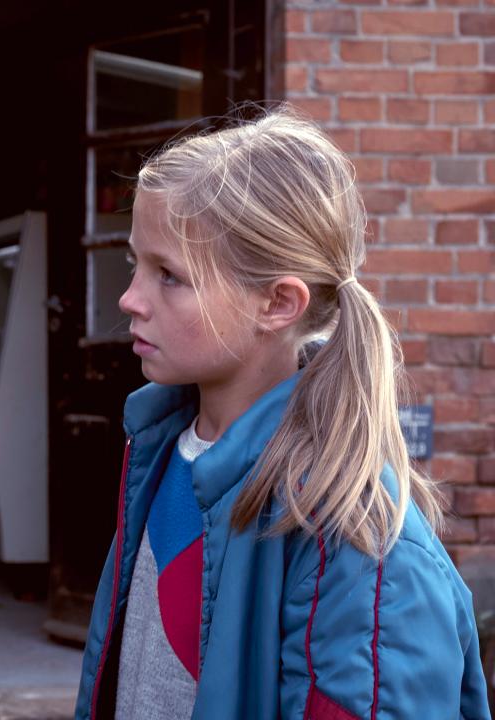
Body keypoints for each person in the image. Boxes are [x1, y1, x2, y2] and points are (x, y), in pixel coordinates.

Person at [75, 107, 489, 720]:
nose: (130, 298)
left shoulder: (360, 546)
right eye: (135, 263)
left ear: (277, 303)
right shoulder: (158, 448)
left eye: (169, 275)